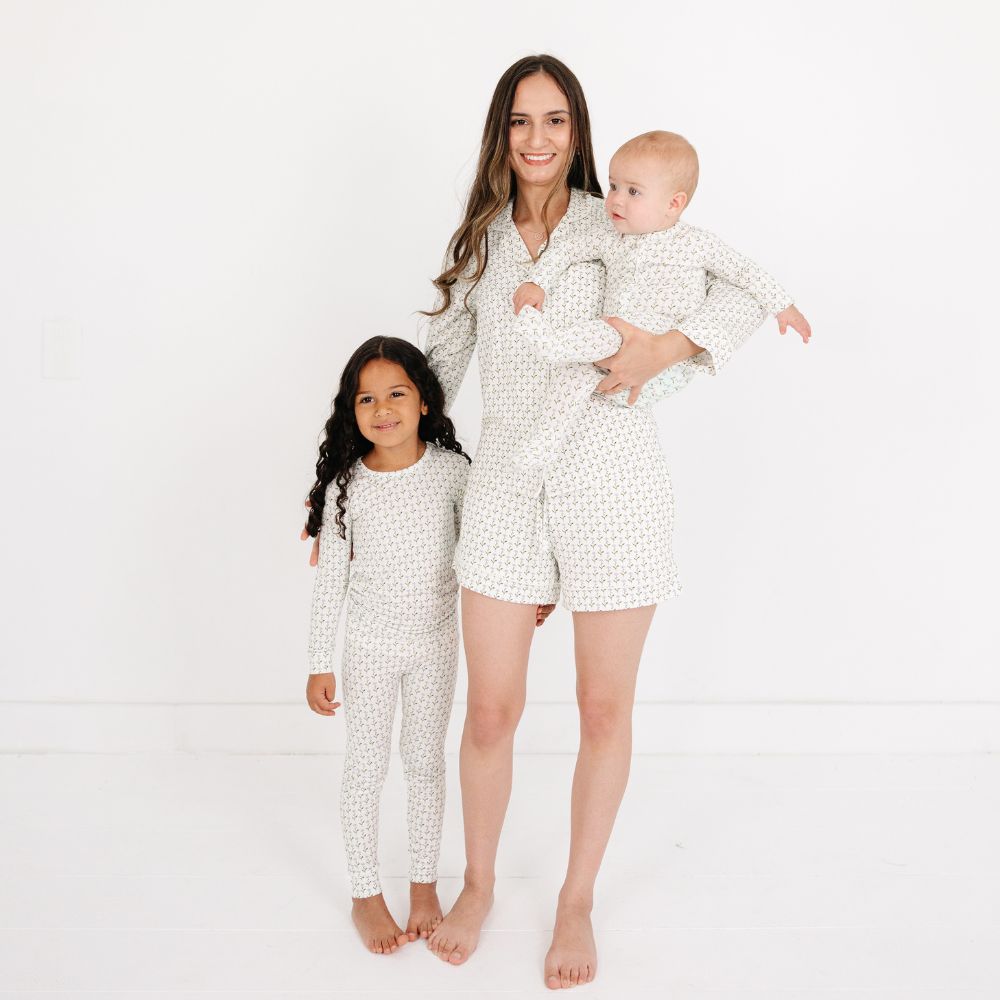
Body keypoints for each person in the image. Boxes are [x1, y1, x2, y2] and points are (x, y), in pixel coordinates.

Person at [410, 54, 784, 991]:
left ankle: (575, 900)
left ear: (578, 131)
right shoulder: (481, 242)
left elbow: (729, 284)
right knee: (490, 710)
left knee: (603, 708)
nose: (538, 140)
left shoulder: (618, 213)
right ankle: (481, 882)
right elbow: (436, 372)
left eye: (556, 122)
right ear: (501, 132)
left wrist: (671, 346)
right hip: (503, 489)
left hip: (612, 480)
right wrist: (351, 477)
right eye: (521, 122)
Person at [303, 336, 471, 955]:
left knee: (426, 766)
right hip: (370, 648)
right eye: (366, 398)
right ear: (351, 411)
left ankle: (424, 885)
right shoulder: (346, 488)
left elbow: (483, 546)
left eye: (397, 393)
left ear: (423, 401)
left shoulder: (454, 473)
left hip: (436, 647)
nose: (383, 408)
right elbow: (331, 585)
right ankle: (365, 892)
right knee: (366, 769)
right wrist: (321, 663)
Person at [509, 129, 812, 471]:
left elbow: (744, 272)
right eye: (613, 186)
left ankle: (550, 343)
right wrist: (537, 282)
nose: (616, 200)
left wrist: (783, 306)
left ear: (674, 203)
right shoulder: (613, 237)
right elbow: (567, 248)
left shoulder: (696, 244)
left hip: (656, 352)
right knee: (572, 378)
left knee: (603, 334)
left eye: (633, 191)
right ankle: (540, 448)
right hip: (615, 362)